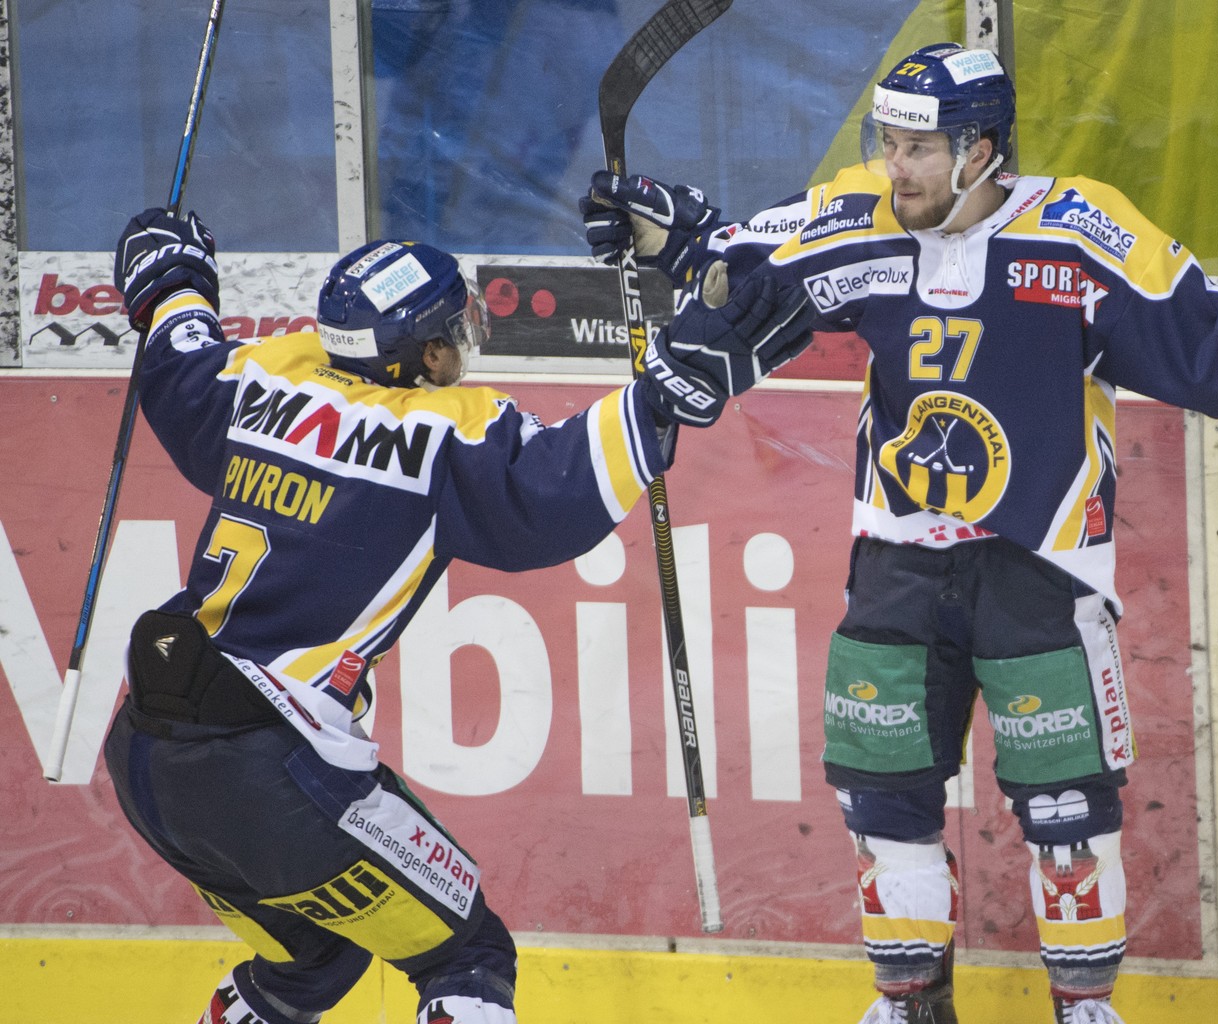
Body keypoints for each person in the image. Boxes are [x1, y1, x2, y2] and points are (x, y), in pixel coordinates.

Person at [580, 42, 1218, 1024]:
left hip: (1042, 568)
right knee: (883, 799)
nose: (893, 164)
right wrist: (664, 235)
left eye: (917, 147)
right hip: (898, 564)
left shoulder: (1079, 232)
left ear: (981, 150)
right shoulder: (860, 212)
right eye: (887, 141)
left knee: (1068, 813)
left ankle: (1083, 1007)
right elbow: (747, 267)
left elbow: (1195, 335)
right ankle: (906, 1001)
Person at [103, 208, 810, 1024]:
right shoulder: (444, 431)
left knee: (314, 962)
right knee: (466, 956)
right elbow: (559, 486)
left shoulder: (266, 371)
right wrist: (665, 395)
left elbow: (177, 364)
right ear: (429, 353)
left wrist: (170, 279)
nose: (461, 347)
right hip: (273, 767)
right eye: (453, 332)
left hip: (146, 755)